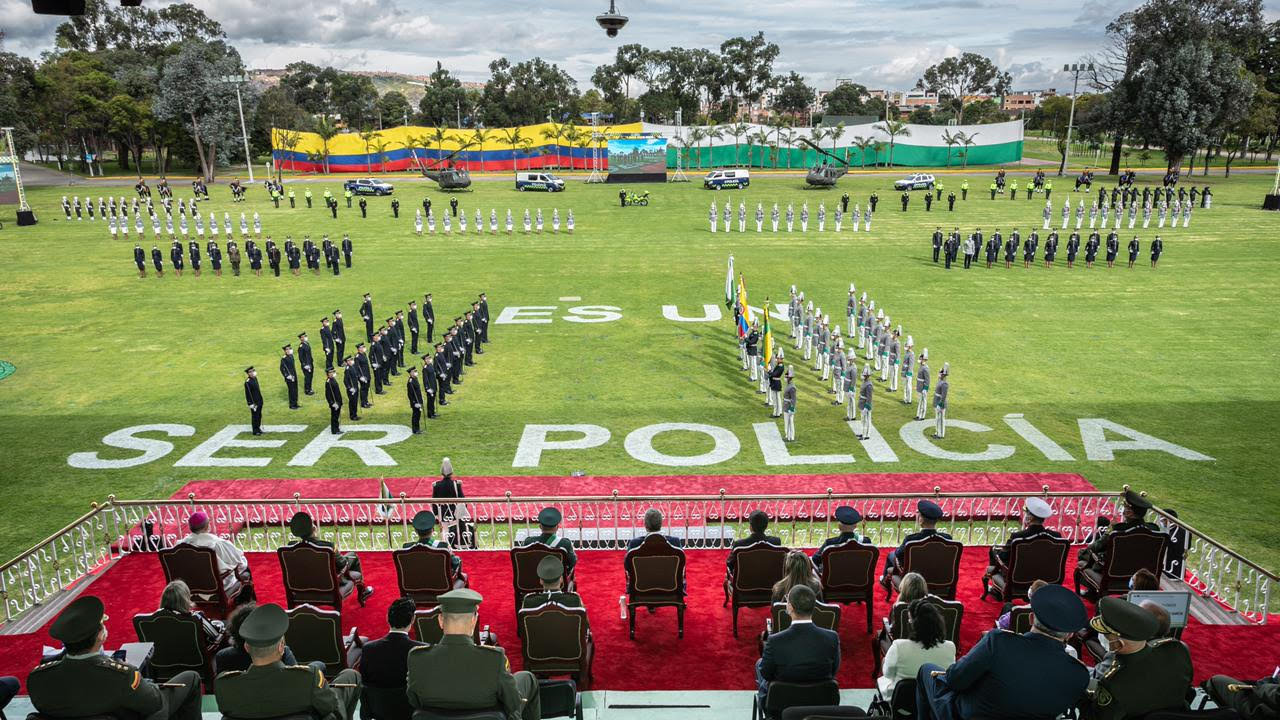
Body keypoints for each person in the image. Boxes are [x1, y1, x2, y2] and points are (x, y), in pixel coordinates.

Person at [915, 584, 1090, 720]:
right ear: (1070, 634)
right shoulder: (1079, 674)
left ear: (1030, 618)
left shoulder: (999, 642)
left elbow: (955, 680)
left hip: (965, 715)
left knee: (926, 670)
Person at [29, 595, 203, 720]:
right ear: (100, 636)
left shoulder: (38, 678)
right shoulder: (122, 676)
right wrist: (142, 681)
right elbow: (154, 704)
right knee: (191, 678)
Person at [406, 589, 539, 719]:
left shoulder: (417, 658)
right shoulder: (494, 658)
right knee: (527, 678)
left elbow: (414, 701)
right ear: (473, 621)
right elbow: (513, 703)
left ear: (440, 620)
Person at [215, 603, 360, 720]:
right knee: (350, 677)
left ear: (247, 647)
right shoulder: (308, 678)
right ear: (281, 646)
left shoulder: (224, 685)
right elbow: (329, 707)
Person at [1080, 597, 1193, 720]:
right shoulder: (1177, 649)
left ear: (1118, 645)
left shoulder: (1114, 684)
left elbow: (1097, 717)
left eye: (1108, 637)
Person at [756, 585, 840, 706]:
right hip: (821, 703)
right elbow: (833, 671)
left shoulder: (774, 641)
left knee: (759, 664)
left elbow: (766, 674)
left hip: (781, 707)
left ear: (790, 607)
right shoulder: (832, 637)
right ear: (814, 607)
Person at [286, 511, 374, 604]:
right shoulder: (327, 547)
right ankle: (362, 591)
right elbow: (342, 564)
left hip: (302, 586)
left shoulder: (290, 547)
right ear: (313, 528)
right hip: (327, 586)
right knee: (353, 556)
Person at [359, 597, 423, 720]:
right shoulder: (420, 651)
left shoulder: (368, 649)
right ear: (413, 619)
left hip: (378, 712)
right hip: (411, 713)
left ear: (387, 618)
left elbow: (365, 685)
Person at [878, 600, 957, 697]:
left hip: (902, 703)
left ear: (914, 624)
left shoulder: (899, 646)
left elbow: (887, 674)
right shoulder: (950, 647)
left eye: (910, 619)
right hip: (933, 701)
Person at [1078, 490, 1162, 570]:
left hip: (1113, 570)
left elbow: (1095, 547)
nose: (1123, 510)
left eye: (1125, 507)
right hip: (1140, 570)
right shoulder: (1154, 530)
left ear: (1129, 513)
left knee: (1082, 552)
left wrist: (1110, 529)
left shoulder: (1118, 532)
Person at [177, 511, 253, 600]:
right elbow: (238, 560)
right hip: (216, 587)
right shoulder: (217, 543)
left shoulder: (179, 545)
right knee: (245, 569)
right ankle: (246, 604)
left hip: (189, 587)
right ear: (207, 525)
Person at [883, 500, 950, 582]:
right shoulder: (947, 539)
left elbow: (899, 555)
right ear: (936, 520)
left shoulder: (911, 539)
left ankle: (885, 581)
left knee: (892, 554)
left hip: (913, 580)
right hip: (939, 578)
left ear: (921, 519)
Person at [158, 579, 226, 651]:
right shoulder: (195, 618)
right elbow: (215, 636)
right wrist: (221, 625)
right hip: (202, 656)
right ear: (185, 599)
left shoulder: (156, 620)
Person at [403, 510, 464, 580]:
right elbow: (455, 563)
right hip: (440, 584)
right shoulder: (442, 546)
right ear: (433, 530)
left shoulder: (407, 548)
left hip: (415, 584)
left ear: (416, 531)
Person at [520, 507, 577, 572]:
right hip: (557, 580)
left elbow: (523, 563)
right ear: (557, 527)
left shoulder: (528, 542)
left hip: (532, 578)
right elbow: (572, 563)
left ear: (540, 526)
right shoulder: (565, 543)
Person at [813, 506, 869, 570]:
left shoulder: (829, 543)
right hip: (860, 579)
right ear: (855, 526)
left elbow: (815, 560)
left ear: (839, 527)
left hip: (833, 579)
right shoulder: (865, 541)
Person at [433, 458, 471, 548]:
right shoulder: (456, 484)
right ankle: (456, 547)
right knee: (455, 531)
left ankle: (446, 548)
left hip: (442, 513)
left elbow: (434, 501)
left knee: (445, 533)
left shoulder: (437, 485)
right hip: (455, 512)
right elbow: (462, 499)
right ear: (451, 473)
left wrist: (436, 514)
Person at [243, 366, 264, 435]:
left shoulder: (255, 378)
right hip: (254, 402)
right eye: (250, 372)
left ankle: (258, 428)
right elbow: (248, 394)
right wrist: (250, 404)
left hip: (259, 401)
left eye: (253, 371)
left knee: (259, 415)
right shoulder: (247, 382)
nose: (252, 373)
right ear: (248, 373)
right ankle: (255, 430)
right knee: (255, 416)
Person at [279, 344, 300, 410]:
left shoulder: (291, 356)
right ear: (285, 351)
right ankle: (292, 405)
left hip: (294, 376)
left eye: (289, 349)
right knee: (292, 391)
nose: (288, 350)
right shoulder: (284, 359)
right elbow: (282, 369)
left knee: (295, 390)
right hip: (289, 378)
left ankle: (295, 403)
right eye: (287, 349)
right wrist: (287, 376)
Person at [933, 362, 949, 439]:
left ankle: (941, 434)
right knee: (937, 418)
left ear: (943, 375)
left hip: (941, 404)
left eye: (940, 373)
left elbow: (943, 396)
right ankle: (937, 432)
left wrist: (940, 404)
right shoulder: (940, 381)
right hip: (937, 402)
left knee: (941, 419)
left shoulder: (944, 384)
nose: (939, 374)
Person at [782, 367, 797, 442]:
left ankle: (791, 437)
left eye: (786, 377)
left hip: (789, 406)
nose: (785, 378)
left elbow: (793, 399)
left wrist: (792, 408)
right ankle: (787, 435)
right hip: (786, 405)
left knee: (790, 422)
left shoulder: (792, 387)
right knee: (786, 421)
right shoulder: (788, 385)